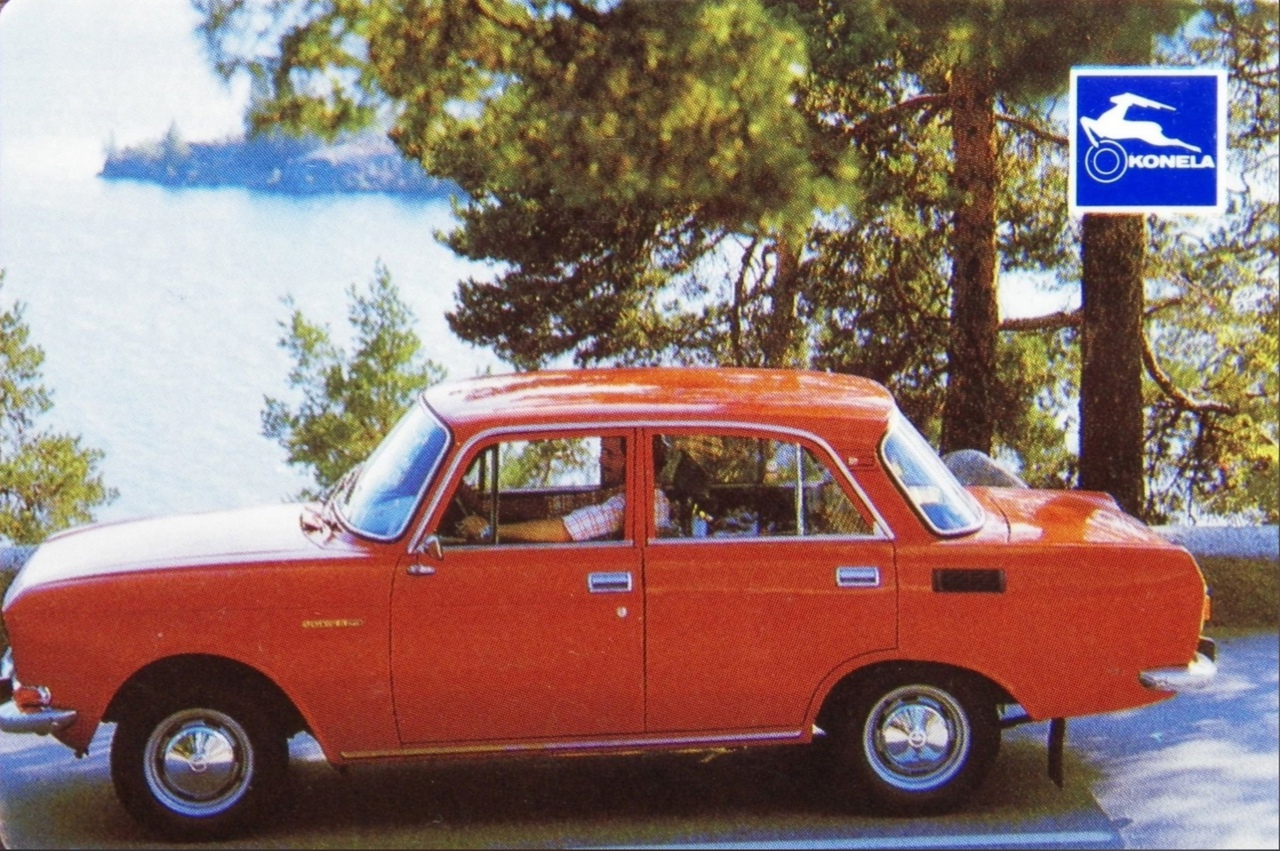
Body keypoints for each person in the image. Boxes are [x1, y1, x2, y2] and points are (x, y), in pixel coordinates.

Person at [456, 437, 670, 543]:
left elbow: (564, 530)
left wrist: (490, 531)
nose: (601, 460)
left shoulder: (637, 503)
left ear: (635, 462)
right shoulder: (625, 492)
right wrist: (481, 505)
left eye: (610, 455)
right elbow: (561, 505)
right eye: (602, 452)